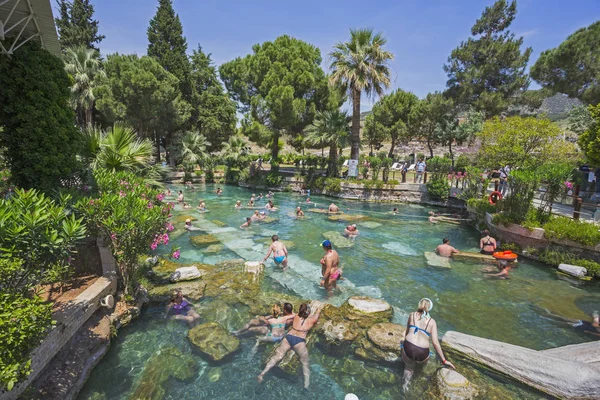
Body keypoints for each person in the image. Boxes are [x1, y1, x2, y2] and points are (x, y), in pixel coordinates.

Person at [258, 303, 322, 389]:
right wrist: (319, 308)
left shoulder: (295, 316)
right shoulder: (312, 320)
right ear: (308, 312)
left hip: (288, 337)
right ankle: (306, 385)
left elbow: (290, 315)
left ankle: (262, 373)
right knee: (305, 362)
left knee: (278, 356)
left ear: (300, 311)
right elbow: (317, 314)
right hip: (299, 341)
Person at [401, 298, 455, 392]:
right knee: (423, 363)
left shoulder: (412, 315)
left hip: (409, 348)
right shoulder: (432, 322)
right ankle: (421, 375)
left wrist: (404, 344)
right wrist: (444, 360)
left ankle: (405, 385)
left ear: (419, 304)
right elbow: (435, 343)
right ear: (429, 308)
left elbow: (407, 332)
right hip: (422, 353)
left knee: (409, 367)